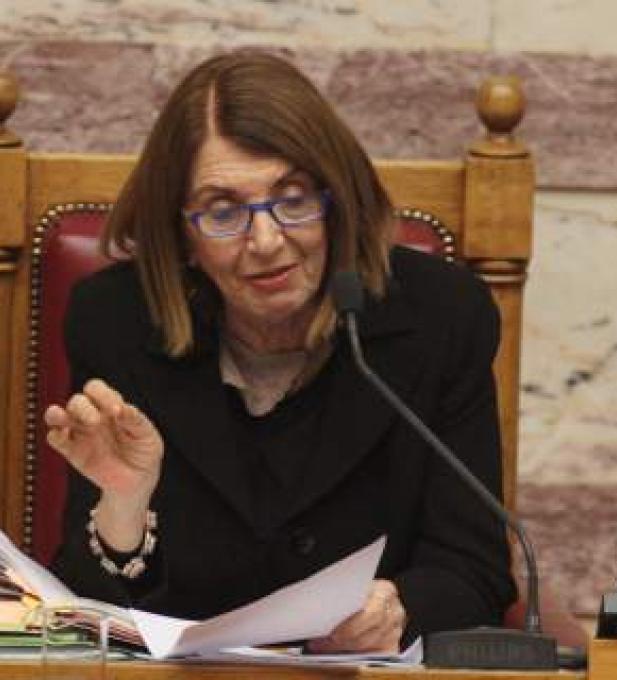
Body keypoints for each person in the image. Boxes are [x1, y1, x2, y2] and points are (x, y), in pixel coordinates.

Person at [43, 50, 516, 653]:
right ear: (181, 233)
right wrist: (124, 507)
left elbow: (475, 571)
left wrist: (400, 607)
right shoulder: (116, 321)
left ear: (337, 200)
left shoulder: (440, 316)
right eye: (223, 212)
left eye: (292, 200)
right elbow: (85, 613)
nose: (266, 241)